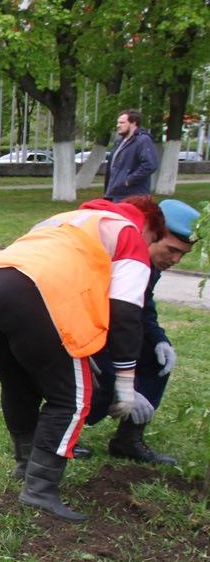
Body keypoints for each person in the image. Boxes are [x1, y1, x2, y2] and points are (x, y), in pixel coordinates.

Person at [0, 198, 164, 522]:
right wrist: (126, 384)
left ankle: (26, 465)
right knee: (71, 399)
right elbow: (127, 313)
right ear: (148, 230)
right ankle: (40, 490)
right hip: (36, 291)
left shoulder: (70, 218)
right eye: (156, 243)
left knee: (18, 386)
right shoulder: (130, 234)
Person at [80, 198, 197, 466]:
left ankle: (127, 439)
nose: (176, 259)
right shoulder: (114, 255)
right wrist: (123, 384)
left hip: (117, 330)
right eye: (171, 249)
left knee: (156, 359)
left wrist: (159, 340)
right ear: (152, 234)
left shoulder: (149, 265)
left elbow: (143, 308)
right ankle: (57, 433)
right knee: (100, 382)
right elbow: (100, 323)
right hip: (85, 332)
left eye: (183, 254)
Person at [104, 110, 160, 199]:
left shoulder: (143, 140)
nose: (118, 125)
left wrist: (128, 180)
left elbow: (150, 165)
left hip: (133, 196)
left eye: (122, 122)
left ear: (133, 123)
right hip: (115, 194)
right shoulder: (120, 142)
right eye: (118, 123)